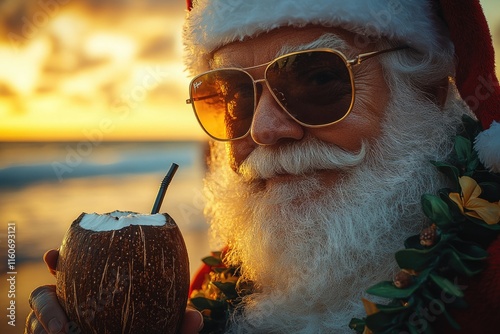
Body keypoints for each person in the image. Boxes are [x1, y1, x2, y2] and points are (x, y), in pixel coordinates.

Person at [26, 0, 500, 333]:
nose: (264, 130)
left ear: (428, 89)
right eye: (233, 96)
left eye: (317, 78)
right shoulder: (210, 296)